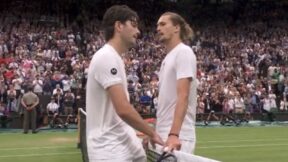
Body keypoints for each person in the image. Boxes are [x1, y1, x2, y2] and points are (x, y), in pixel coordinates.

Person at [86, 5, 164, 162]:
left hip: (122, 146)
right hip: (109, 151)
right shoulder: (106, 57)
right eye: (133, 25)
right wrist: (151, 132)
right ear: (119, 26)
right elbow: (123, 109)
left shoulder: (115, 58)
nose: (138, 31)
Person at [155, 12, 197, 153]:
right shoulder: (167, 58)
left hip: (178, 134)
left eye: (163, 24)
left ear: (176, 28)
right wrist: (155, 132)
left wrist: (174, 134)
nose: (158, 28)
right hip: (164, 132)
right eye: (157, 25)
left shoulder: (183, 52)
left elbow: (183, 95)